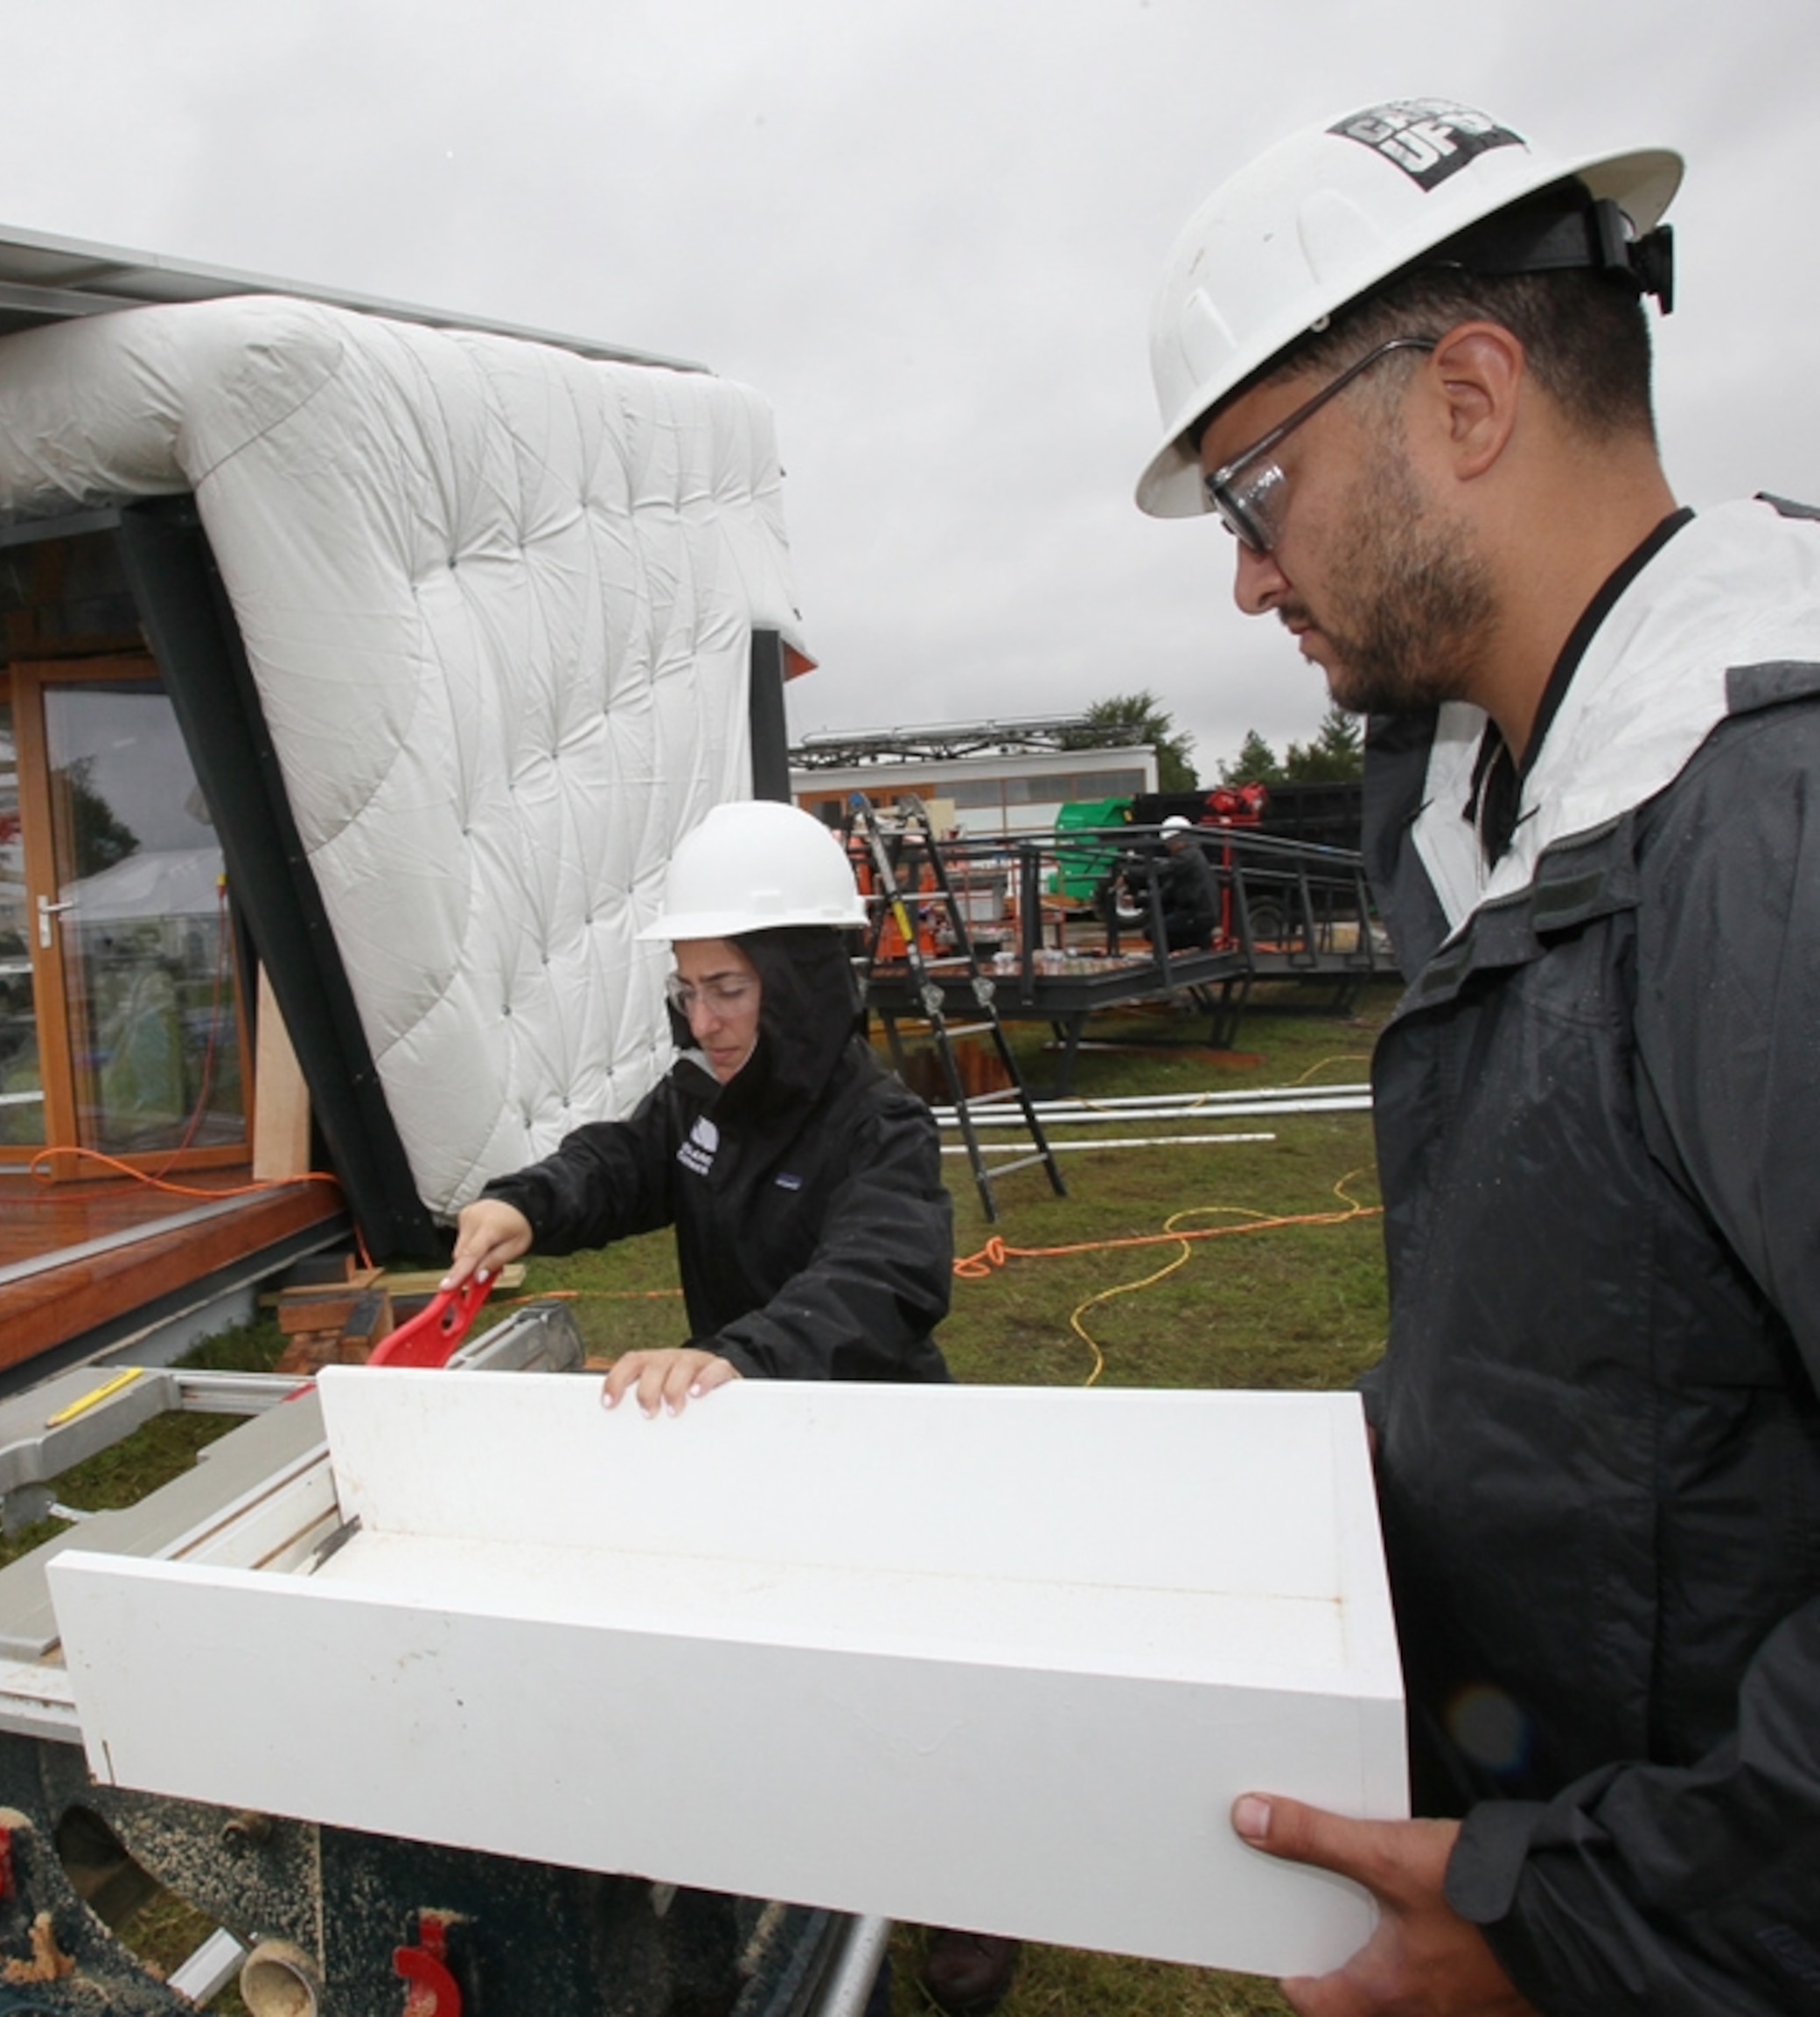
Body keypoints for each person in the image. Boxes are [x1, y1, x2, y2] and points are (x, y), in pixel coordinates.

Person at [1139, 97, 1820, 2015]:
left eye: (1256, 492)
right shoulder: (1500, 814)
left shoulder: (1764, 825)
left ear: (1467, 398)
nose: (1251, 582)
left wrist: (1589, 1924)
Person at [439, 798, 1013, 2014]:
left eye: (730, 990)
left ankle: (970, 1889)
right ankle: (760, 1865)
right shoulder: (698, 1101)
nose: (701, 1018)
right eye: (689, 988)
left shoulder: (883, 1127)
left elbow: (881, 1276)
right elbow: (620, 1162)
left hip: (877, 1451)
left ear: (801, 982)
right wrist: (527, 1201)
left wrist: (746, 1352)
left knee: (920, 1686)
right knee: (765, 1670)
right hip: (743, 1434)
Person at [1148, 814, 1220, 952]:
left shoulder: (1187, 857)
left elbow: (1163, 870)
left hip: (1198, 915)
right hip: (1198, 913)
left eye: (1169, 842)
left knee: (1155, 931)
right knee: (1158, 927)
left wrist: (1130, 876)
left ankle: (1167, 962)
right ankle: (1199, 946)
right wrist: (1139, 901)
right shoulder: (1190, 856)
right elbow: (1169, 891)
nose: (1168, 847)